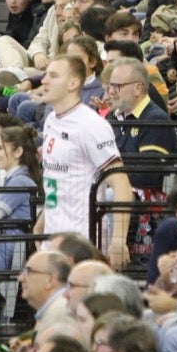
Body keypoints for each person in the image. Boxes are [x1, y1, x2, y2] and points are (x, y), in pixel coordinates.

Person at [37, 55, 132, 267]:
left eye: (53, 76)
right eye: (45, 75)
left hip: (83, 243)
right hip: (52, 239)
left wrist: (118, 239)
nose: (44, 80)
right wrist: (41, 224)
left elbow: (121, 183)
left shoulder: (91, 125)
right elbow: (55, 178)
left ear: (73, 83)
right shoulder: (51, 120)